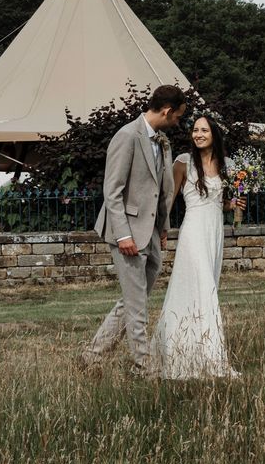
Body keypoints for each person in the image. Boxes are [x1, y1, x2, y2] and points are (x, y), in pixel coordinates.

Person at [80, 85, 186, 376]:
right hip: (125, 231)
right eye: (177, 117)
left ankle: (92, 355)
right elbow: (112, 192)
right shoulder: (126, 136)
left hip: (151, 231)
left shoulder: (163, 142)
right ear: (166, 111)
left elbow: (162, 189)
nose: (177, 123)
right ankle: (144, 367)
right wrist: (124, 235)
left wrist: (163, 228)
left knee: (133, 299)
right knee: (137, 304)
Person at [148, 113, 245, 379]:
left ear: (214, 134)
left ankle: (197, 348)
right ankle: (209, 358)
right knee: (201, 286)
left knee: (208, 285)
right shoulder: (183, 163)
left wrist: (232, 205)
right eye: (195, 130)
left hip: (214, 232)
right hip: (193, 231)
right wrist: (161, 228)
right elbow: (168, 198)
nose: (198, 134)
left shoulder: (227, 165)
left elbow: (220, 201)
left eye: (204, 130)